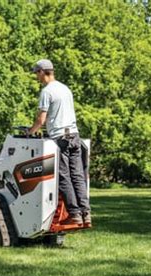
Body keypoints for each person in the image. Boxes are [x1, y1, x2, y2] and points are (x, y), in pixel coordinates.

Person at [28, 59, 91, 225]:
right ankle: (86, 213)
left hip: (60, 138)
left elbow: (41, 120)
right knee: (78, 176)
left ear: (42, 72)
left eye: (37, 73)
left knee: (63, 177)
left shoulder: (47, 92)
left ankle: (75, 214)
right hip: (74, 136)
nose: (36, 77)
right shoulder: (65, 89)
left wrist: (30, 132)